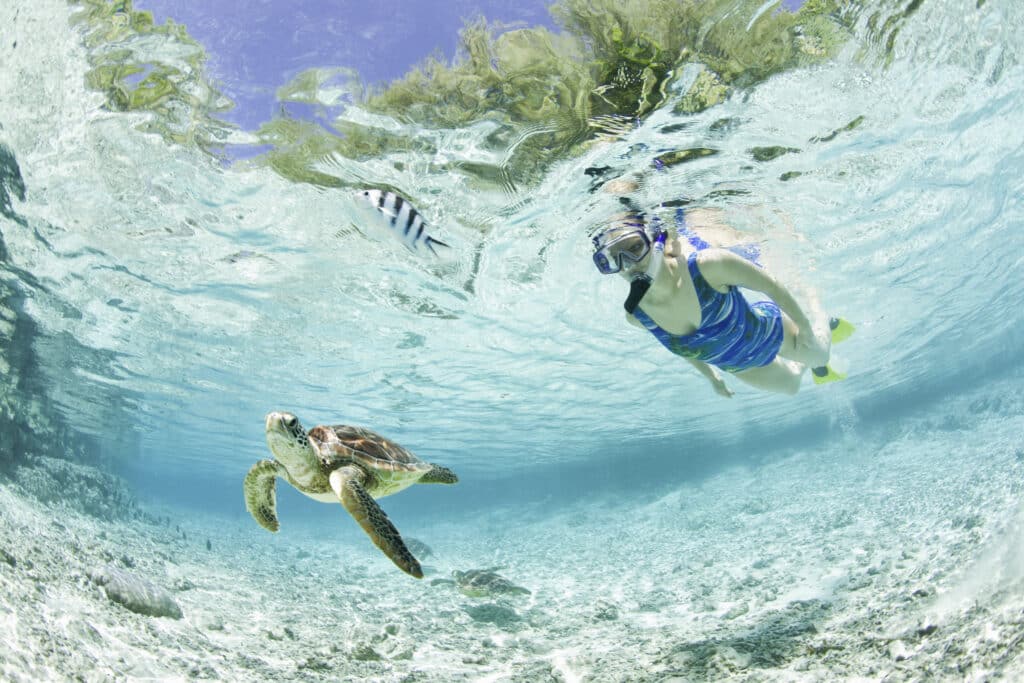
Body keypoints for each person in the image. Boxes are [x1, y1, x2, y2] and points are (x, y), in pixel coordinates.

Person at [591, 204, 853, 396]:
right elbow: (684, 348)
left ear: (659, 242)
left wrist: (804, 328)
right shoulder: (637, 315)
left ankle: (821, 318)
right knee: (792, 386)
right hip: (740, 366)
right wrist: (712, 378)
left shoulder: (709, 266)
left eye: (635, 248)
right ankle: (806, 361)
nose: (628, 265)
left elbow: (772, 286)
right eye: (614, 258)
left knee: (820, 356)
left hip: (767, 333)